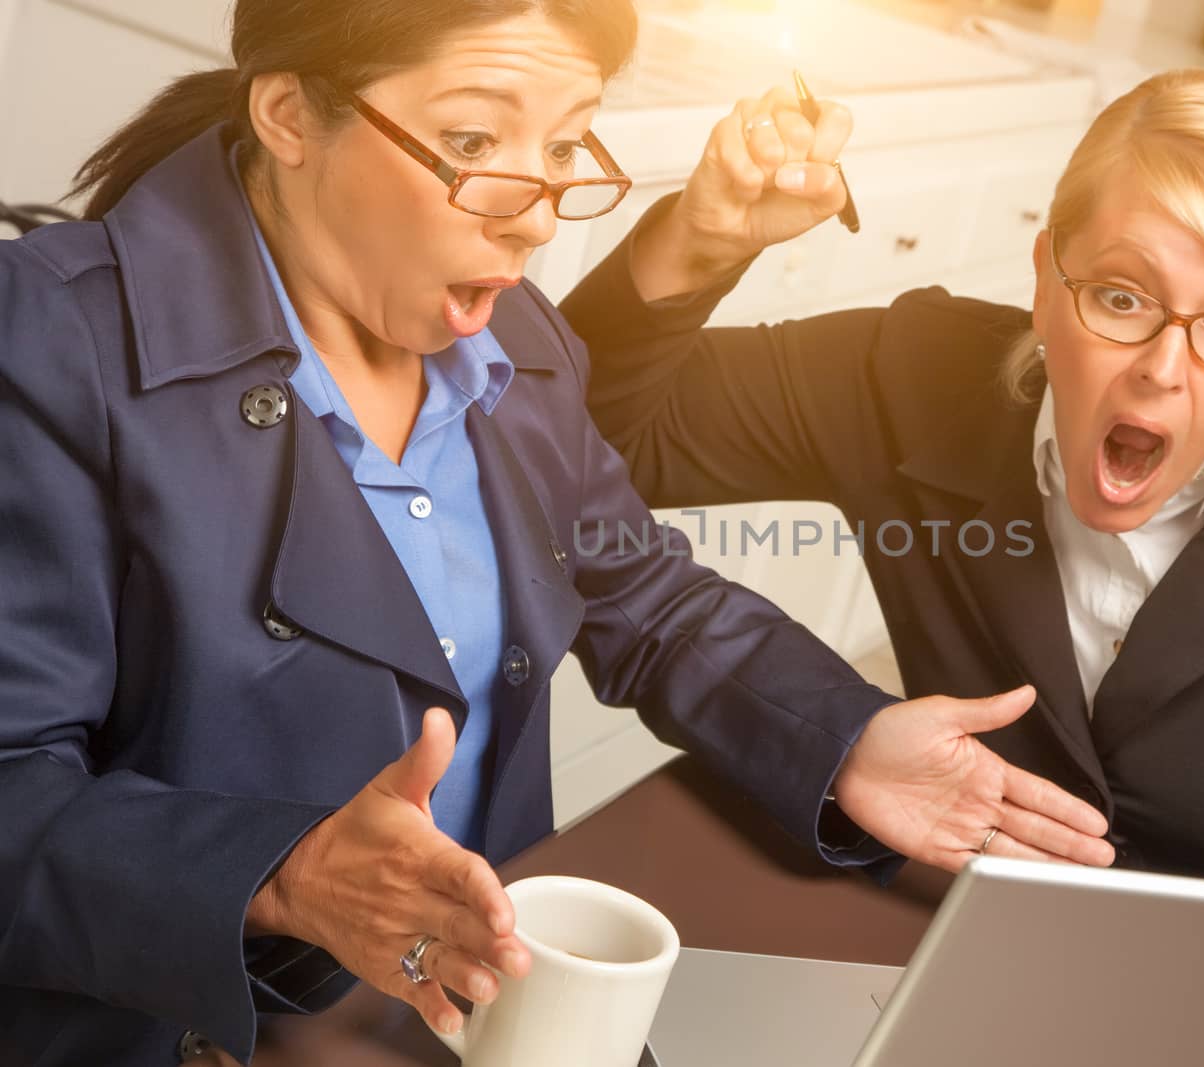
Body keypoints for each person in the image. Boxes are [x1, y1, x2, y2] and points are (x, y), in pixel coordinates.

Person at [0, 3, 1116, 1064]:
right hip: (205, 1020)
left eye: (571, 142)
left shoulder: (516, 336)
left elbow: (647, 599)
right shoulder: (49, 341)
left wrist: (848, 733)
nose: (534, 210)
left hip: (477, 989)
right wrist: (284, 878)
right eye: (474, 136)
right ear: (289, 114)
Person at [569, 69, 1204, 905]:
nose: (1163, 366)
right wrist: (696, 240)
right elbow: (585, 441)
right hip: (967, 930)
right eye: (1119, 294)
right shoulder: (907, 371)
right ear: (1043, 276)